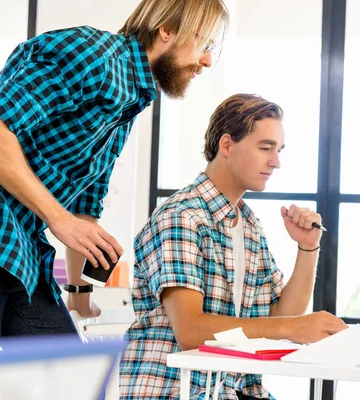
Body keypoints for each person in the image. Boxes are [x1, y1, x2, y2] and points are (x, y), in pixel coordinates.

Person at [0, 0, 230, 340]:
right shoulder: (91, 55)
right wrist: (57, 218)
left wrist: (79, 294)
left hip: (16, 243)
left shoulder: (129, 102)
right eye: (204, 44)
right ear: (167, 29)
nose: (207, 60)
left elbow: (83, 209)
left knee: (67, 374)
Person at [119, 93, 348, 399]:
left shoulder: (248, 224)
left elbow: (281, 315)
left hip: (230, 389)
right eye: (266, 148)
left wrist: (307, 248)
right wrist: (293, 328)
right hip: (175, 390)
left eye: (278, 150)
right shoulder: (182, 218)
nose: (276, 161)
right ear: (226, 145)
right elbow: (190, 331)